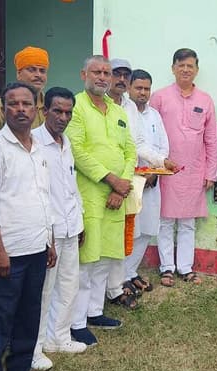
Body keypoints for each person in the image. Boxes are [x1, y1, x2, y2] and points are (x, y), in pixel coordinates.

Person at [0, 82, 56, 371]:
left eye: (27, 103)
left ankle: (20, 367)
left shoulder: (39, 148)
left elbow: (43, 197)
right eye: (13, 104)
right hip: (5, 252)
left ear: (36, 108)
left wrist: (49, 241)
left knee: (28, 312)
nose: (21, 109)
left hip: (36, 246)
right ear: (3, 109)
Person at [65, 55, 137, 346]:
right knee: (86, 260)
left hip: (116, 197)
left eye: (107, 73)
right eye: (97, 72)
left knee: (106, 257)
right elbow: (77, 151)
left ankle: (95, 312)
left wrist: (121, 187)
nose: (103, 77)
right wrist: (111, 180)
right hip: (90, 195)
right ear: (84, 74)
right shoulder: (76, 106)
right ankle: (77, 321)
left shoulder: (118, 111)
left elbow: (130, 152)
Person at [151, 48, 217, 286]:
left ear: (196, 70)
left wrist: (211, 172)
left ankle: (185, 267)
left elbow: (211, 139)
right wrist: (153, 166)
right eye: (181, 65)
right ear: (173, 68)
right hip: (166, 169)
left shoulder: (205, 100)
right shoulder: (159, 98)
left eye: (190, 66)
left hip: (194, 171)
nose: (186, 70)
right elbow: (149, 134)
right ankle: (167, 268)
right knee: (165, 220)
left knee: (188, 222)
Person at [31, 87, 87, 371]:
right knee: (43, 291)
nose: (63, 117)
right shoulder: (34, 143)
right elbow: (36, 193)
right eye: (57, 111)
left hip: (70, 226)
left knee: (68, 285)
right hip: (47, 232)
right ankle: (34, 348)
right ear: (45, 111)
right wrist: (47, 235)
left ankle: (59, 338)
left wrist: (80, 220)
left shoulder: (66, 143)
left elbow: (71, 187)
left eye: (68, 112)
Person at [122, 69, 174, 291]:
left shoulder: (154, 116)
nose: (143, 92)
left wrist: (153, 173)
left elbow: (163, 147)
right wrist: (137, 175)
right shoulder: (122, 112)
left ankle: (130, 272)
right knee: (129, 230)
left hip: (152, 182)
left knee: (147, 229)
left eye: (147, 88)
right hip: (129, 182)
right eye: (138, 88)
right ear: (129, 88)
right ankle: (120, 278)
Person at [0, 46, 49, 135]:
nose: (38, 75)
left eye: (42, 71)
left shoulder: (50, 106)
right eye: (32, 70)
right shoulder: (0, 106)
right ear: (18, 74)